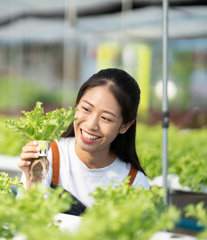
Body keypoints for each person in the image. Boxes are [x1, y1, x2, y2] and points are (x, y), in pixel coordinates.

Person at [17, 68, 149, 215]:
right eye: (86, 109)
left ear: (124, 126)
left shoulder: (134, 182)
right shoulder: (49, 155)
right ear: (76, 105)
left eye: (106, 118)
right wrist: (32, 182)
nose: (91, 125)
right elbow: (28, 221)